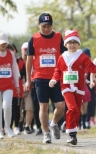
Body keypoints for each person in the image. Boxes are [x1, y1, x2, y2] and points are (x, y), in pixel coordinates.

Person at [49, 30, 96, 145]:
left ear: (78, 44)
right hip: (66, 87)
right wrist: (53, 80)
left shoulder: (83, 56)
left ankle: (72, 133)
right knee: (72, 108)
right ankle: (70, 134)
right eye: (69, 42)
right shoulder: (62, 57)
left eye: (74, 42)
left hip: (79, 88)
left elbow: (92, 68)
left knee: (76, 111)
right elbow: (58, 71)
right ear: (65, 44)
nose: (72, 45)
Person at [24, 13, 67, 144]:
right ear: (39, 25)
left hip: (56, 78)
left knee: (61, 106)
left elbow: (65, 55)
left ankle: (54, 123)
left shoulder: (59, 37)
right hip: (40, 78)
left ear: (52, 26)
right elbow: (29, 61)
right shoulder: (34, 39)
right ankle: (46, 133)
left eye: (48, 26)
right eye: (43, 26)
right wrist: (28, 79)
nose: (46, 29)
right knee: (43, 107)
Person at [6, 44, 24, 135]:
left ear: (16, 51)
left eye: (12, 50)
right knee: (7, 108)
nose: (11, 52)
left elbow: (23, 74)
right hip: (6, 88)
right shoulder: (4, 61)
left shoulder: (20, 62)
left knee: (16, 109)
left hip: (18, 89)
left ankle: (16, 127)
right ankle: (6, 127)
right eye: (8, 50)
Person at [20, 42, 34, 134]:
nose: (26, 52)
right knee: (18, 109)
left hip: (29, 89)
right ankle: (19, 124)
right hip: (18, 90)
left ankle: (27, 126)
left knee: (29, 108)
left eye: (28, 50)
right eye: (25, 50)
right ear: (21, 51)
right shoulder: (17, 62)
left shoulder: (33, 62)